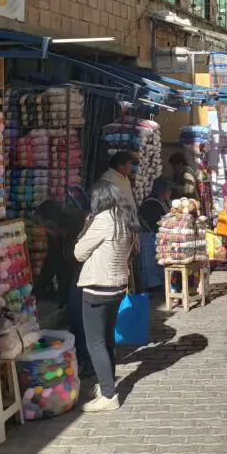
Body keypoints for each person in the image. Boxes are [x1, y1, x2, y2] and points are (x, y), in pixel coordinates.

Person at [74, 180, 139, 412]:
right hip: (117, 286)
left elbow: (79, 252)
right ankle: (106, 385)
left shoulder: (103, 219)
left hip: (98, 287)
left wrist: (86, 227)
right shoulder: (125, 218)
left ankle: (109, 394)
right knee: (107, 339)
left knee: (95, 342)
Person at [135, 176, 170, 291]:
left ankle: (156, 286)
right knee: (150, 267)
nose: (170, 193)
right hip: (149, 239)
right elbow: (157, 224)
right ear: (163, 191)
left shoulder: (160, 202)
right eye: (168, 191)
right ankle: (153, 288)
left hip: (152, 238)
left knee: (153, 267)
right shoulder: (152, 204)